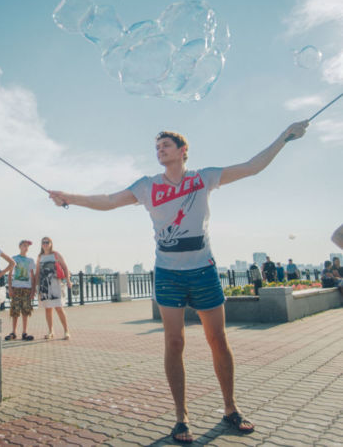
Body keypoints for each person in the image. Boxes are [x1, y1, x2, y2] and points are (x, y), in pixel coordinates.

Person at [49, 120, 308, 443]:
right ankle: (181, 417)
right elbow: (109, 200)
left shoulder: (204, 178)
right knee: (174, 343)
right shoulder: (147, 186)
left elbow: (252, 167)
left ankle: (230, 408)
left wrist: (284, 137)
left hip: (204, 271)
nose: (159, 150)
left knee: (218, 340)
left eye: (166, 146)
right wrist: (69, 197)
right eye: (157, 147)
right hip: (168, 274)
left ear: (183, 151)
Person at [36, 236, 72, 340]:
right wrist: (36, 287)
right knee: (48, 309)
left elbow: (65, 267)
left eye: (47, 242)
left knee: (59, 308)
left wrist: (68, 280)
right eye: (43, 242)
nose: (45, 244)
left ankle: (66, 331)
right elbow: (37, 272)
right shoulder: (40, 256)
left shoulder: (56, 255)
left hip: (55, 284)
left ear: (51, 243)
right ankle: (50, 331)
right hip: (44, 286)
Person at [5, 240, 36, 341]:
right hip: (16, 288)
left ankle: (24, 332)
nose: (26, 248)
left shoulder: (30, 260)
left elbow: (32, 276)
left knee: (26, 311)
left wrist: (33, 290)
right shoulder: (14, 258)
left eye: (27, 246)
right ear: (20, 246)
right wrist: (10, 288)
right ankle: (13, 332)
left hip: (27, 288)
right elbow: (9, 275)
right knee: (15, 310)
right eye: (24, 246)